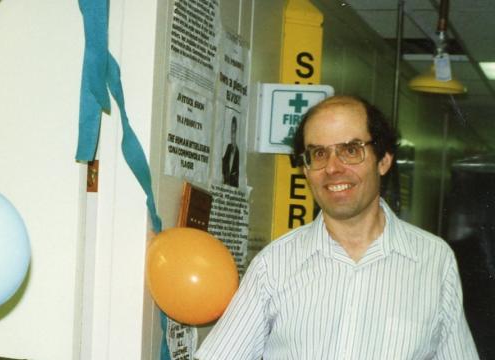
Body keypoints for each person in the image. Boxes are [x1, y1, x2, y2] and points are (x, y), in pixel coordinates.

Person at [195, 95, 478, 359]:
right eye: (318, 154)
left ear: (384, 160)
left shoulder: (433, 261)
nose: (332, 168)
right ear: (306, 169)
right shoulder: (274, 265)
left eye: (351, 150)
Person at [222, 116, 239, 187]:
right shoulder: (228, 147)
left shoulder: (238, 152)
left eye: (234, 131)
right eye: (231, 132)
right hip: (225, 184)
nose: (232, 135)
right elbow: (224, 162)